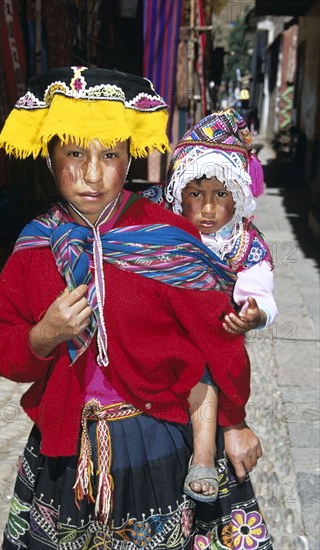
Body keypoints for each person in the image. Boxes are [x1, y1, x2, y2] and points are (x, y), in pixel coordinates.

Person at [0, 68, 272, 549]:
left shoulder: (168, 239)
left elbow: (219, 338)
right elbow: (0, 347)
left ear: (129, 157)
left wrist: (235, 422)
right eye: (75, 153)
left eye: (110, 155)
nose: (92, 174)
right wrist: (43, 335)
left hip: (158, 444)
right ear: (50, 158)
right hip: (64, 450)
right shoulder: (34, 248)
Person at [165, 108, 277, 503]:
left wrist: (254, 314)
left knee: (206, 364)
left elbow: (258, 291)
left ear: (239, 197)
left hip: (212, 347)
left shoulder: (245, 246)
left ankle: (204, 452)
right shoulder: (163, 233)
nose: (207, 208)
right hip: (161, 340)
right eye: (196, 194)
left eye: (220, 195)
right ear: (179, 193)